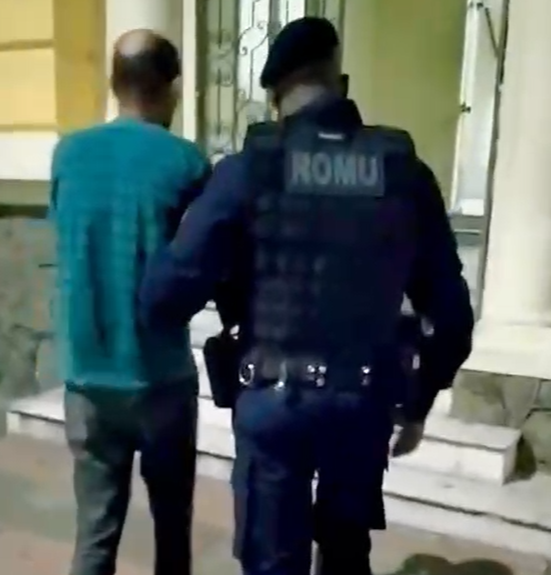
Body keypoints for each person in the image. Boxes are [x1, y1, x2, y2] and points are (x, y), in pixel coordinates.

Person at [139, 16, 474, 575]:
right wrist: (418, 403)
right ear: (340, 83)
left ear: (274, 96)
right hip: (363, 405)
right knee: (346, 557)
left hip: (274, 407)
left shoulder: (247, 172)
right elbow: (453, 317)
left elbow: (163, 298)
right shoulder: (403, 173)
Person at [50, 29, 210, 575]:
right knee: (172, 533)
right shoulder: (186, 162)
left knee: (94, 535)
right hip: (160, 377)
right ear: (172, 88)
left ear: (114, 84)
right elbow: (203, 264)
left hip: (87, 378)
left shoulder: (68, 155)